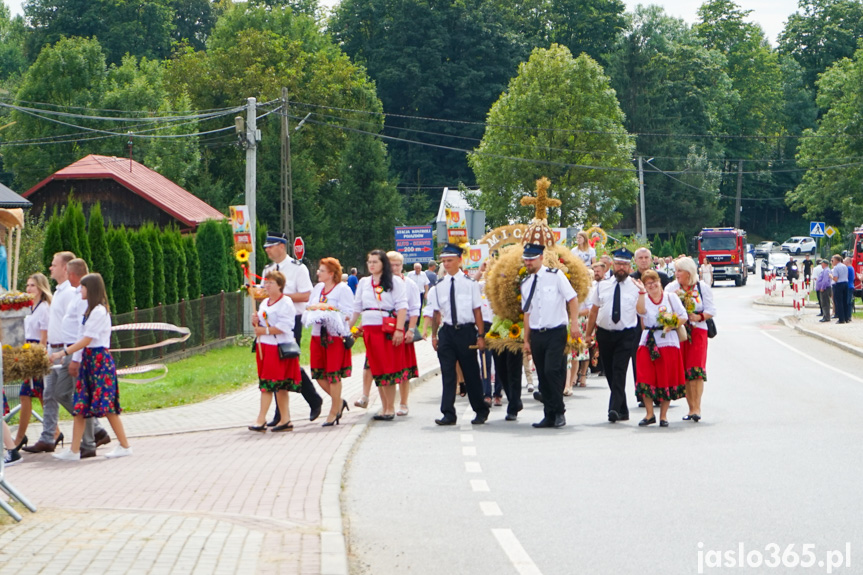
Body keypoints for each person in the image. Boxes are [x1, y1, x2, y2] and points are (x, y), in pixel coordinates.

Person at [24, 256, 109, 457]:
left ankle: (93, 430)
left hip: (67, 351)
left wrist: (69, 353)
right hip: (59, 350)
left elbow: (81, 328)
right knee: (50, 394)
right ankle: (49, 436)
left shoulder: (73, 293)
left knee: (66, 394)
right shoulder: (61, 292)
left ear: (65, 269)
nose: (50, 268)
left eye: (54, 264)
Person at [51, 273, 132, 460]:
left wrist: (62, 353)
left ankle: (125, 445)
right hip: (89, 360)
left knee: (108, 406)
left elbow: (87, 339)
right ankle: (74, 451)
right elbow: (82, 339)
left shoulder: (99, 312)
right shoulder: (89, 311)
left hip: (99, 362)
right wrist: (76, 358)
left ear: (92, 288)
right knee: (81, 406)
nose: (80, 291)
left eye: (83, 287)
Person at [260, 232, 324, 425]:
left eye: (270, 247)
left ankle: (305, 403)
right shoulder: (268, 269)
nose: (268, 250)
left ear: (281, 246)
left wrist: (281, 296)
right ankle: (284, 413)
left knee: (288, 362)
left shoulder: (298, 268)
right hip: (270, 321)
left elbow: (306, 295)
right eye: (266, 248)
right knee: (279, 366)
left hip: (291, 319)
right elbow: (265, 293)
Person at [521, 244, 581, 428]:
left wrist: (575, 324)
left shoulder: (556, 276)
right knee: (542, 375)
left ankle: (559, 411)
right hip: (538, 334)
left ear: (541, 257)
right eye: (526, 259)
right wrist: (526, 340)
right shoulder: (526, 283)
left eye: (531, 258)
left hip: (556, 331)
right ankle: (549, 414)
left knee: (552, 370)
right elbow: (527, 313)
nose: (528, 262)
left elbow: (572, 298)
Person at [428, 243, 489, 425]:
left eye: (449, 260)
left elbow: (477, 311)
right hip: (447, 332)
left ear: (459, 260)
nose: (446, 264)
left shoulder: (470, 284)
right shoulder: (439, 286)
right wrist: (434, 335)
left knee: (471, 372)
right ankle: (448, 413)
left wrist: (481, 335)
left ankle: (480, 409)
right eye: (444, 261)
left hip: (466, 331)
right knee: (448, 373)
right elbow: (436, 313)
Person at [350, 249, 408, 420]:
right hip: (370, 329)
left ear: (383, 264)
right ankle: (384, 407)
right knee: (377, 369)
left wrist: (399, 329)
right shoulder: (364, 283)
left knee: (388, 369)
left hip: (387, 329)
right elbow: (356, 308)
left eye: (375, 261)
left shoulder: (395, 281)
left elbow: (402, 307)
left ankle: (390, 408)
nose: (372, 265)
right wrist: (349, 328)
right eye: (369, 262)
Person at [584, 248, 640, 423]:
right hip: (605, 334)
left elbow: (644, 312)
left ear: (630, 267)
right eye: (618, 264)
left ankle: (613, 409)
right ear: (612, 265)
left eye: (625, 264)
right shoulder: (602, 285)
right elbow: (593, 311)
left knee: (619, 370)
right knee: (609, 372)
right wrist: (588, 334)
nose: (621, 268)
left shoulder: (636, 287)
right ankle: (623, 409)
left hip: (626, 335)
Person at [248, 270, 302, 432]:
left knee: (269, 384)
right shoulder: (265, 303)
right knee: (279, 386)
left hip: (278, 348)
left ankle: (261, 419)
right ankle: (285, 419)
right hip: (265, 346)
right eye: (266, 283)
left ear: (280, 285)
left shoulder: (286, 302)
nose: (267, 286)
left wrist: (264, 331)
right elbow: (263, 323)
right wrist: (256, 322)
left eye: (271, 283)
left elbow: (286, 326)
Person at [633, 270, 687, 427]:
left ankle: (663, 416)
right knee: (645, 377)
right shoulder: (643, 298)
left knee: (666, 377)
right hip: (648, 341)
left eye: (654, 282)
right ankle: (649, 414)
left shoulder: (670, 297)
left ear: (660, 282)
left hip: (668, 342)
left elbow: (683, 315)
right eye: (648, 283)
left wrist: (672, 323)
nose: (652, 285)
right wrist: (642, 293)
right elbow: (641, 312)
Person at [666, 257, 716, 422]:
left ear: (689, 272)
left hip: (698, 331)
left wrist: (698, 316)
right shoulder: (672, 287)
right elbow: (664, 308)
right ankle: (690, 408)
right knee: (686, 371)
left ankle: (697, 408)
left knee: (696, 370)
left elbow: (711, 310)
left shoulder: (702, 287)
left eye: (679, 271)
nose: (677, 274)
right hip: (680, 332)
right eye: (676, 270)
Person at [307, 258, 353, 426]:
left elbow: (348, 312)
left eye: (322, 271)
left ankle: (334, 411)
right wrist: (315, 310)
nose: (318, 273)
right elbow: (310, 305)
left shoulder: (342, 289)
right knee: (318, 374)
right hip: (318, 334)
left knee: (333, 375)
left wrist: (330, 312)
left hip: (334, 336)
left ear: (332, 273)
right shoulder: (318, 288)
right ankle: (339, 401)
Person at [12, 273, 53, 451]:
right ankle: (53, 432)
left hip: (36, 353)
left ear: (41, 288)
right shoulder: (29, 307)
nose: (28, 289)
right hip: (28, 350)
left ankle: (21, 437)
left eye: (33, 286)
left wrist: (38, 357)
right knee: (30, 394)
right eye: (27, 285)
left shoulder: (44, 308)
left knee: (36, 394)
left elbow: (44, 338)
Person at [630, 247, 670, 406]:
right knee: (639, 362)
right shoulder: (630, 279)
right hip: (636, 326)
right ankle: (643, 395)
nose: (644, 260)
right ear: (635, 261)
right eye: (640, 258)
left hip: (659, 326)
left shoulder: (662, 277)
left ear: (651, 259)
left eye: (646, 257)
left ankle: (661, 393)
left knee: (660, 361)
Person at [387, 251, 420, 416]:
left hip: (404, 326)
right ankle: (388, 405)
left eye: (397, 265)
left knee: (404, 369)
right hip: (386, 328)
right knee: (387, 368)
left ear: (402, 266)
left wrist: (411, 330)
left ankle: (404, 403)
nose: (394, 268)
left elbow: (415, 309)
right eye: (391, 264)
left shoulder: (409, 284)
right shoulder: (381, 283)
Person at [830, 255, 849, 324]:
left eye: (833, 260)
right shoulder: (844, 266)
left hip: (839, 284)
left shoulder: (836, 268)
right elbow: (846, 276)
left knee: (839, 302)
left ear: (837, 260)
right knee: (845, 301)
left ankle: (841, 319)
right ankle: (846, 317)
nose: (832, 262)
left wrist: (831, 276)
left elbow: (835, 278)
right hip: (845, 283)